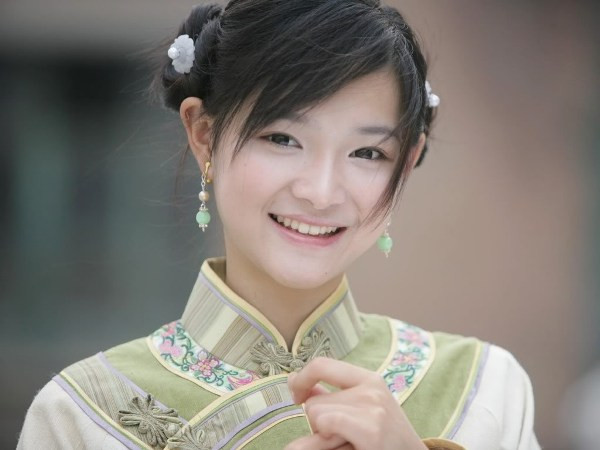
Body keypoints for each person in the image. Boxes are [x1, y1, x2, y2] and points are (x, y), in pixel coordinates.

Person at [17, 1, 540, 449]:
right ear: (203, 133)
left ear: (405, 164)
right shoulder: (81, 415)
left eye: (367, 152)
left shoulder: (483, 391)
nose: (321, 192)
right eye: (282, 139)